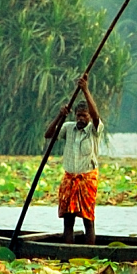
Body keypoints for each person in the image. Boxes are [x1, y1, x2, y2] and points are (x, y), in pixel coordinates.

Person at [44, 75, 102, 245]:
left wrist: (85, 90)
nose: (81, 119)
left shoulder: (94, 130)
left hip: (86, 180)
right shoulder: (68, 128)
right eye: (78, 116)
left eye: (84, 116)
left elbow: (96, 115)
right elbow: (48, 135)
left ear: (88, 117)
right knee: (68, 220)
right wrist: (59, 116)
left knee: (87, 219)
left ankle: (89, 252)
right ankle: (68, 251)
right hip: (69, 179)